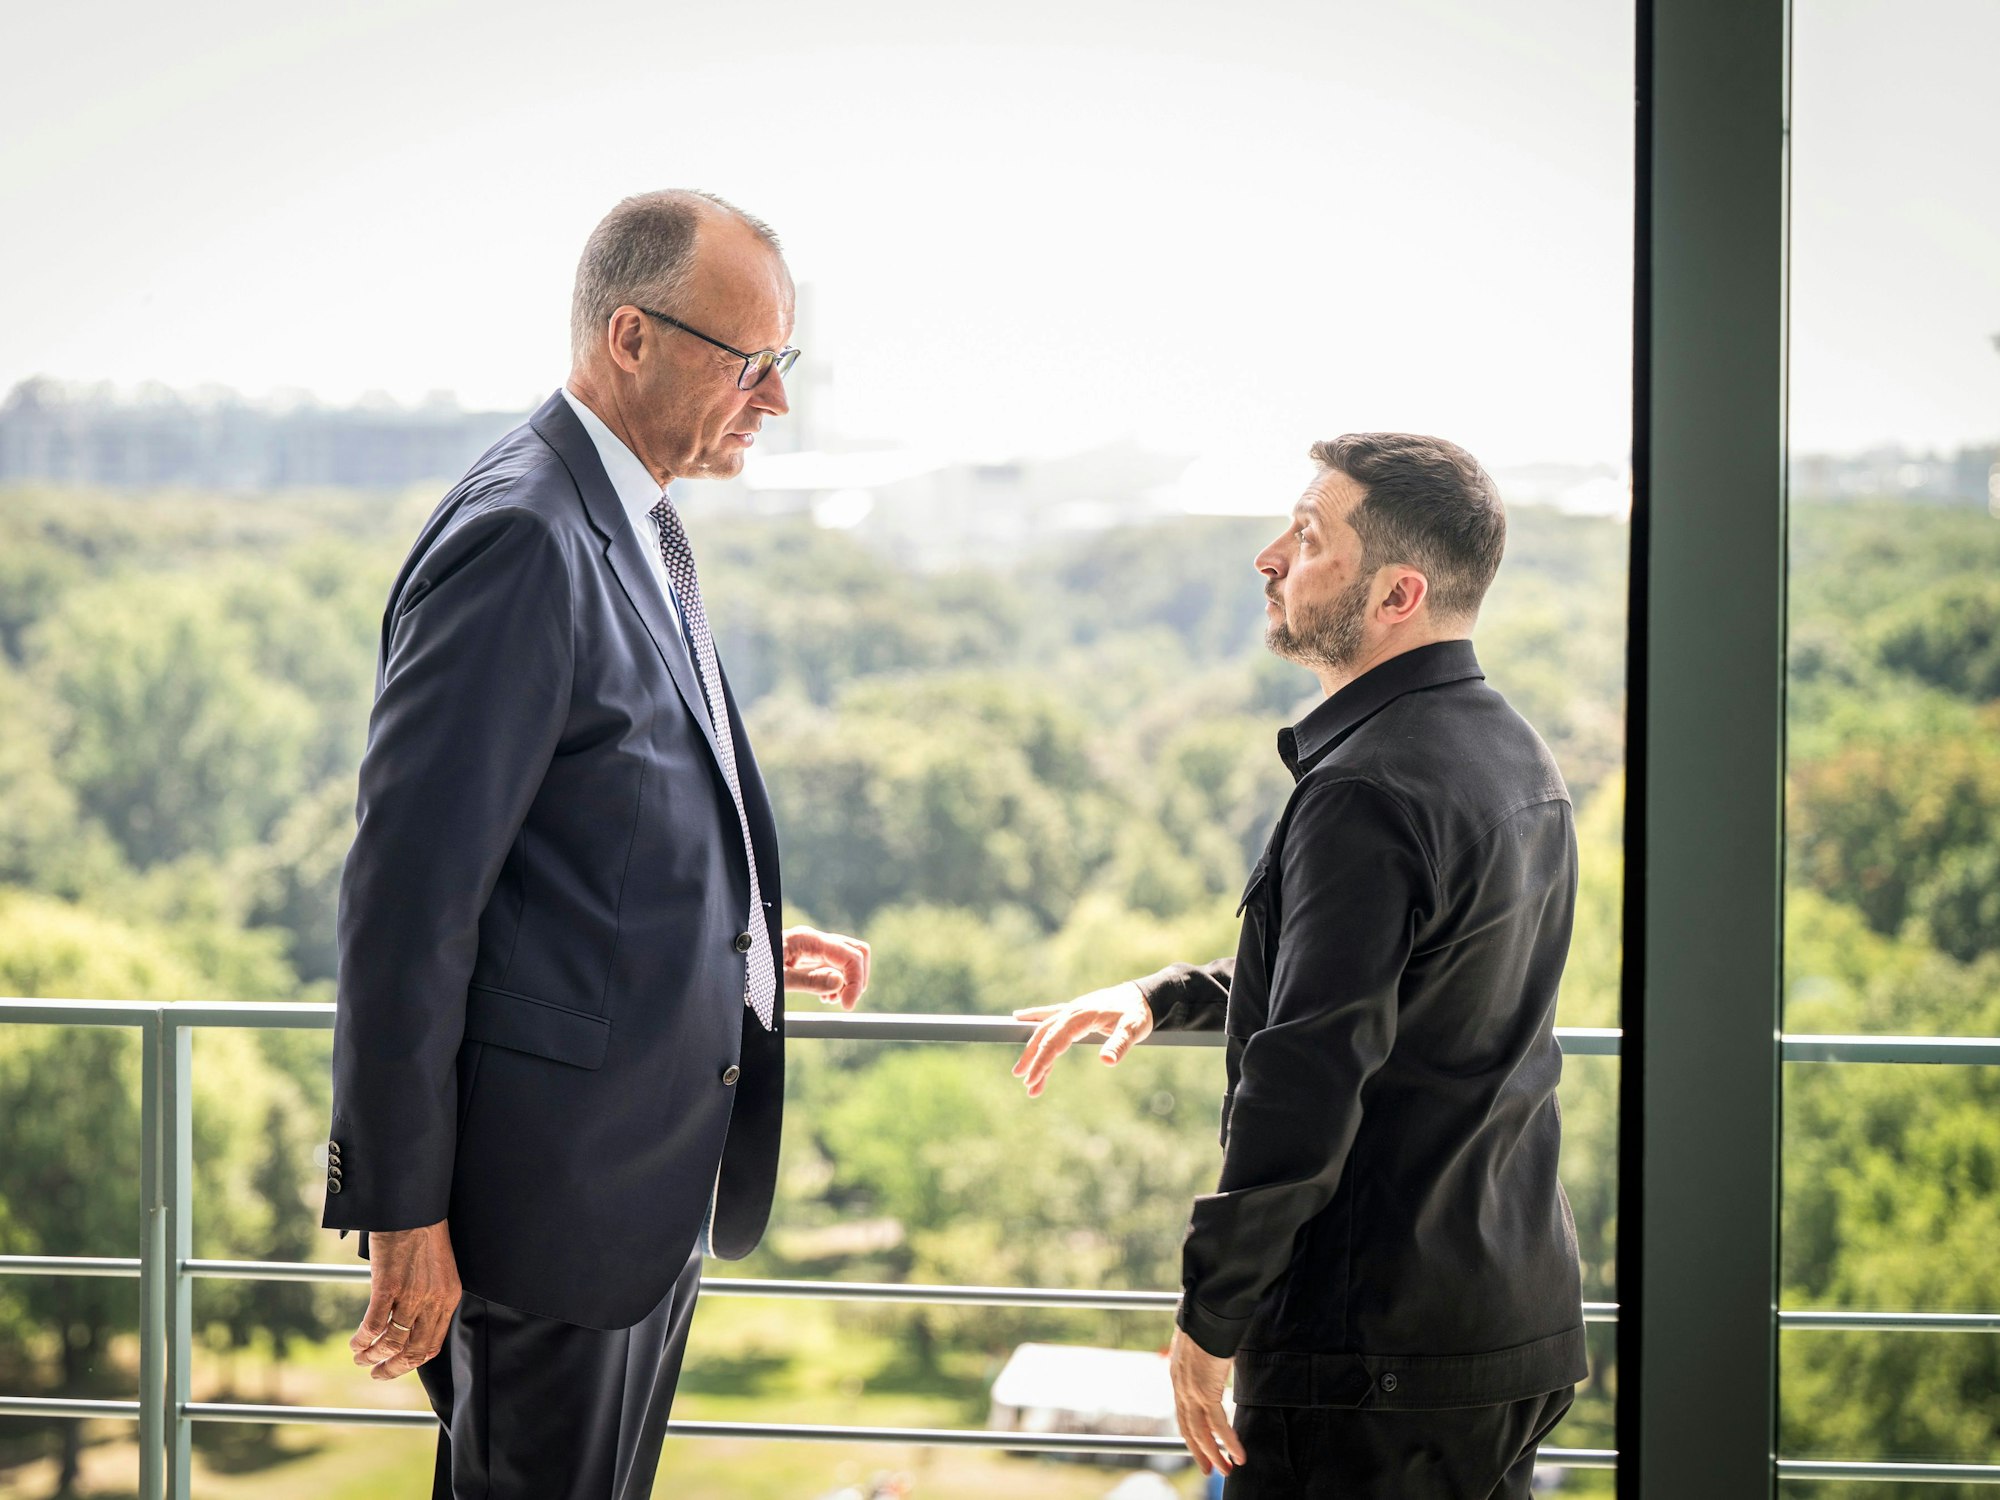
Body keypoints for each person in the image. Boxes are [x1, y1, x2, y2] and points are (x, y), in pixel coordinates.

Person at [321, 189, 871, 1500]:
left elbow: (583, 833)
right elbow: (408, 902)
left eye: (781, 364)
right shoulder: (524, 533)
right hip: (542, 1217)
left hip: (638, 1195)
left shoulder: (633, 521)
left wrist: (732, 942)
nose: (773, 401)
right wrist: (405, 1213)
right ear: (630, 337)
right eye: (749, 364)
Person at [1013, 434, 1586, 1498]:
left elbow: (1309, 1077)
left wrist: (1209, 1313)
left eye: (1310, 537)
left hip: (1370, 1355)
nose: (1269, 556)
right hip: (1508, 1323)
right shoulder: (1513, 754)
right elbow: (1386, 993)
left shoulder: (1366, 788)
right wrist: (1157, 995)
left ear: (1395, 593)